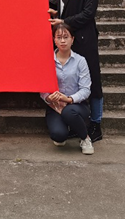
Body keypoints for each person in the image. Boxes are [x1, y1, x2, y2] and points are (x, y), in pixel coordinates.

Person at [48, 0, 103, 143]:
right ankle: (77, 118)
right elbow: (67, 9)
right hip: (69, 37)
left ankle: (96, 123)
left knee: (93, 80)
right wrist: (57, 14)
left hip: (84, 38)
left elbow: (88, 13)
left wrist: (63, 21)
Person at [40, 22, 94, 155]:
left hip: (77, 106)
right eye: (59, 37)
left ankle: (85, 138)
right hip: (55, 106)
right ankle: (66, 126)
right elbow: (42, 86)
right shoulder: (47, 60)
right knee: (58, 136)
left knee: (69, 112)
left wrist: (69, 99)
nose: (62, 40)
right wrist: (47, 97)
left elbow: (86, 89)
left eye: (66, 37)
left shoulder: (80, 61)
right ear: (54, 40)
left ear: (72, 39)